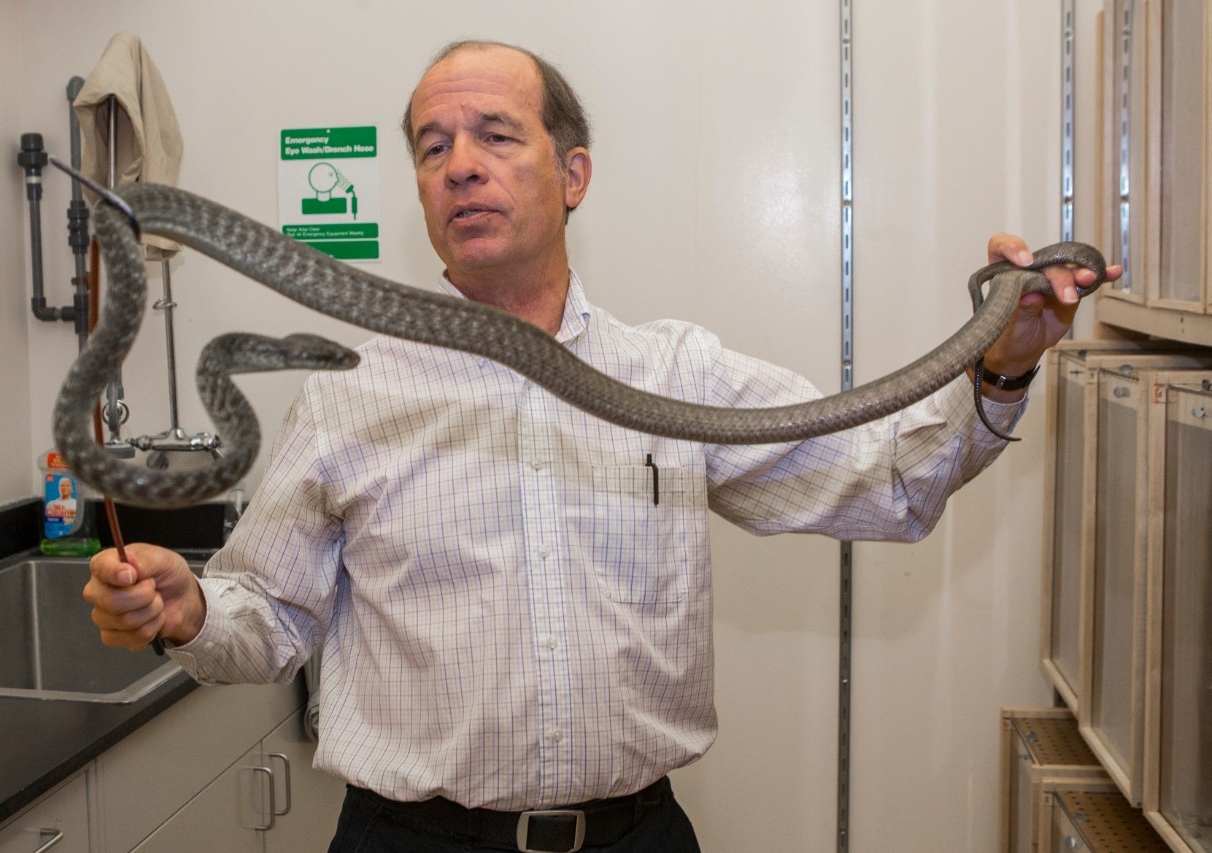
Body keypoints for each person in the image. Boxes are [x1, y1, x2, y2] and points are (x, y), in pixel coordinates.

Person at [83, 40, 1120, 853]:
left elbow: (890, 481)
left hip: (637, 841)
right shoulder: (354, 390)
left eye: (496, 134)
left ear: (573, 172)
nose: (461, 167)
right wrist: (190, 609)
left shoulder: (678, 374)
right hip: (410, 845)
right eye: (434, 147)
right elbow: (268, 618)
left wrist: (1004, 359)